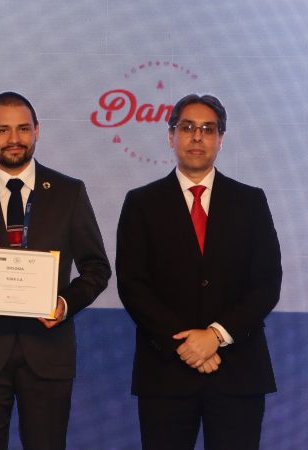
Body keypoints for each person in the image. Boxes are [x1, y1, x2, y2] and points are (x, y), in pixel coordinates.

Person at [0, 91, 111, 450]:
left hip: (48, 352)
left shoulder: (68, 192)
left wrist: (64, 304)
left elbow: (96, 267)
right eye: (2, 130)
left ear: (37, 131)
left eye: (23, 129)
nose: (14, 139)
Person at [116, 93, 282, 450]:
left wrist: (216, 336)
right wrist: (188, 344)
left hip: (237, 370)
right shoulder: (141, 202)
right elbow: (133, 284)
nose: (197, 136)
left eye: (208, 129)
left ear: (221, 139)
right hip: (166, 372)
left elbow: (267, 283)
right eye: (187, 127)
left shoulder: (250, 201)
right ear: (170, 136)